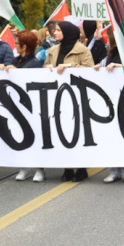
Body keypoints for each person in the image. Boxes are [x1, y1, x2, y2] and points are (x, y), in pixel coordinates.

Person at [44, 21, 94, 182]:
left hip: (77, 96)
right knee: (62, 132)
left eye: (58, 30)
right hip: (57, 97)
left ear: (68, 32)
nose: (54, 33)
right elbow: (44, 67)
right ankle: (67, 167)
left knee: (77, 132)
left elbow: (90, 70)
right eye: (54, 30)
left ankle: (81, 168)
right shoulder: (52, 50)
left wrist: (69, 66)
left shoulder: (83, 50)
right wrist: (47, 68)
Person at [3, 31, 45, 183]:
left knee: (35, 136)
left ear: (25, 46)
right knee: (20, 135)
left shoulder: (34, 64)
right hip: (17, 107)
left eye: (17, 43)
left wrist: (17, 72)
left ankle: (40, 168)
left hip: (31, 107)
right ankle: (25, 166)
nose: (14, 45)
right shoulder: (16, 61)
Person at [96, 43, 124, 185]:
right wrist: (97, 68)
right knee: (113, 136)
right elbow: (100, 67)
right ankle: (114, 171)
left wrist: (118, 67)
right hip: (111, 101)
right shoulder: (109, 55)